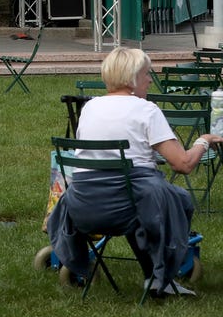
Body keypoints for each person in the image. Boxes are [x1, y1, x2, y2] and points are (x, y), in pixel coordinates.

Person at [48, 47, 222, 297]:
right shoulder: (146, 110)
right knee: (173, 199)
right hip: (130, 209)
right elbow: (182, 164)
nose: (150, 80)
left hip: (84, 208)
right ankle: (159, 275)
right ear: (132, 78)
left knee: (141, 193)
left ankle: (153, 275)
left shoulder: (90, 108)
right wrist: (203, 141)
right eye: (146, 74)